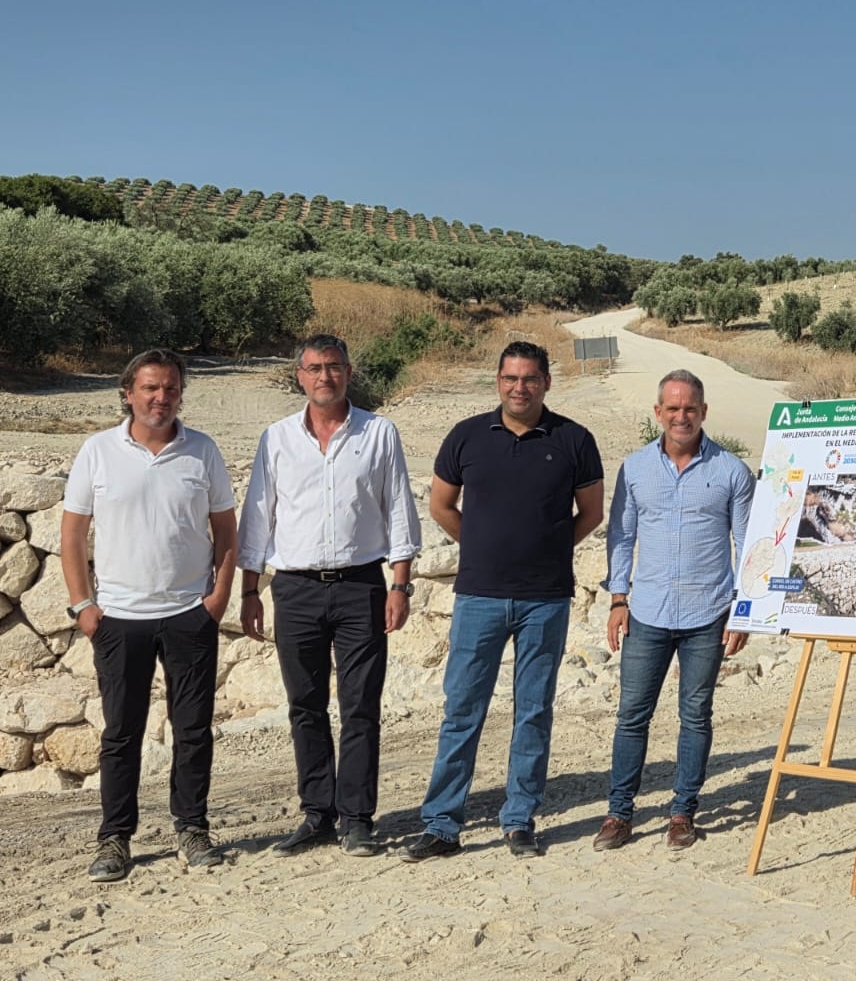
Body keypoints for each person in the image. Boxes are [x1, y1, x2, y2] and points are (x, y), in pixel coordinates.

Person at [401, 341, 603, 861]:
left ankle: (519, 820)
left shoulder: (575, 439)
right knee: (462, 710)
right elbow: (442, 504)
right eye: (511, 378)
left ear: (546, 383)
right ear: (498, 381)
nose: (520, 387)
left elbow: (591, 514)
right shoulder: (467, 436)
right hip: (479, 597)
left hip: (546, 599)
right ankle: (442, 824)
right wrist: (482, 545)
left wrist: (548, 549)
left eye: (531, 378)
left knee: (533, 711)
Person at [238, 333, 422, 857]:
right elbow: (257, 516)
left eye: (335, 367)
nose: (325, 376)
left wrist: (400, 583)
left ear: (348, 371)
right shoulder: (275, 438)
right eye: (315, 368)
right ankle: (318, 813)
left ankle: (358, 817)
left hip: (361, 585)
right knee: (305, 705)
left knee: (360, 705)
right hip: (294, 589)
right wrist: (250, 589)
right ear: (299, 375)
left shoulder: (379, 432)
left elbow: (399, 511)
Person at [60, 349, 238, 882]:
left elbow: (226, 531)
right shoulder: (97, 451)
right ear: (128, 392)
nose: (162, 398)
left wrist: (217, 599)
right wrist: (84, 607)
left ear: (182, 393)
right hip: (118, 617)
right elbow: (72, 535)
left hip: (189, 613)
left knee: (193, 730)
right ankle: (114, 839)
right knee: (121, 733)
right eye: (151, 389)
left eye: (172, 389)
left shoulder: (202, 450)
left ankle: (192, 827)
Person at [593, 369, 756, 852]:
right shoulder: (636, 468)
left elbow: (747, 546)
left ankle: (683, 810)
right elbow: (621, 536)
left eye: (690, 408)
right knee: (631, 717)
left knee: (696, 715)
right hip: (646, 612)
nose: (681, 416)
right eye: (672, 408)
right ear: (658, 412)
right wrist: (618, 599)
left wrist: (742, 611)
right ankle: (619, 814)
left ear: (703, 412)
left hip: (709, 613)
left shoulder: (731, 471)